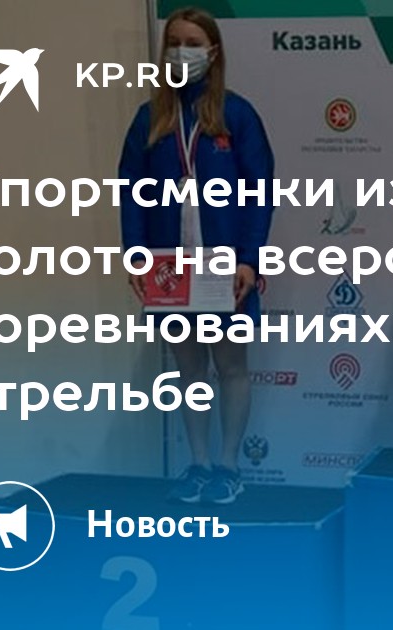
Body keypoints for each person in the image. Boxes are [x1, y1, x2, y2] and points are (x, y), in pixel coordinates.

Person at [118, 7, 275, 504]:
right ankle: (200, 464)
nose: (181, 51)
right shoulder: (150, 118)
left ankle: (229, 465)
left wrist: (249, 259)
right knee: (189, 371)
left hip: (224, 267)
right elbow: (130, 191)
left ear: (213, 51)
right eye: (174, 42)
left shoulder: (238, 115)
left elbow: (260, 192)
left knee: (230, 365)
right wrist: (136, 256)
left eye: (192, 43)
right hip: (171, 268)